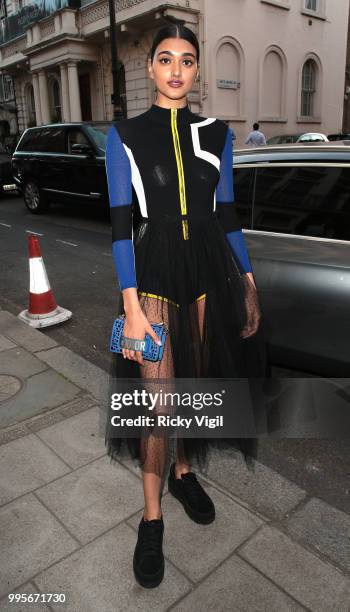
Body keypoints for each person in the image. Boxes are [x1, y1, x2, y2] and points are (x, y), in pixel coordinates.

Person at [104, 23, 269, 588]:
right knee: (156, 402)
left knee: (192, 385)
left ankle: (182, 470)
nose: (177, 69)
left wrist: (247, 279)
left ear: (197, 72)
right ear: (150, 68)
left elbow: (225, 215)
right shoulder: (124, 135)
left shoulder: (217, 133)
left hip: (207, 276)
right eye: (166, 59)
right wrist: (130, 305)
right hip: (150, 279)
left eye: (188, 60)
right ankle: (152, 520)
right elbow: (122, 225)